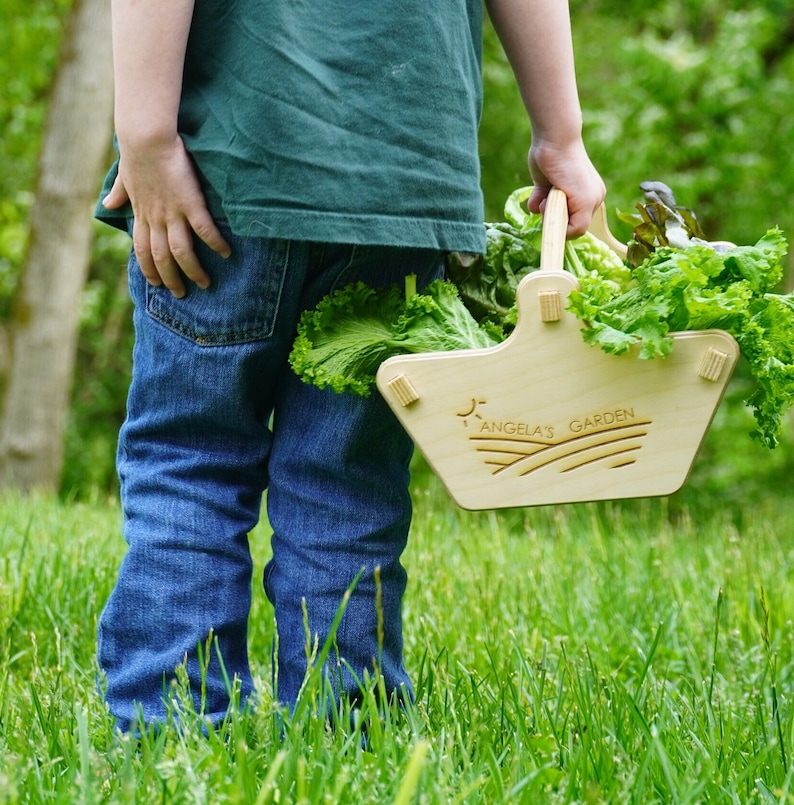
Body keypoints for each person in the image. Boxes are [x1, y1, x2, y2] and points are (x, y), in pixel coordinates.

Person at [95, 0, 606, 733]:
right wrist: (561, 135)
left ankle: (169, 731)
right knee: (348, 476)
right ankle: (344, 727)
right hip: (402, 178)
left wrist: (144, 136)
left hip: (230, 167)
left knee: (192, 457)